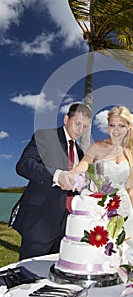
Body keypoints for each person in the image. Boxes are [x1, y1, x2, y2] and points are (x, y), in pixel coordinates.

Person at [61, 105, 133, 262]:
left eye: (121, 126)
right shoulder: (97, 147)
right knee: (103, 256)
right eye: (112, 125)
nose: (116, 130)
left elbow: (130, 188)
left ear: (128, 127)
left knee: (130, 258)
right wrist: (69, 176)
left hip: (125, 210)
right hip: (102, 209)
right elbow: (81, 167)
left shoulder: (130, 153)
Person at [11, 103, 92, 260]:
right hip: (39, 222)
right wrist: (57, 175)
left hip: (65, 229)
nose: (80, 130)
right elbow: (24, 165)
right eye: (77, 123)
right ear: (66, 119)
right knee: (29, 275)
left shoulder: (80, 153)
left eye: (85, 127)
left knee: (54, 276)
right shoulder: (45, 136)